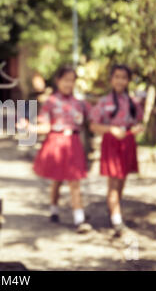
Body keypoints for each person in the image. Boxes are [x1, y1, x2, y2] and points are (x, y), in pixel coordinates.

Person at [20, 67, 92, 234]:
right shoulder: (51, 102)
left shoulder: (80, 103)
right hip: (56, 143)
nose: (68, 84)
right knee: (57, 180)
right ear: (58, 81)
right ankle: (54, 209)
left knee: (75, 181)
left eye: (72, 80)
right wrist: (30, 127)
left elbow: (93, 119)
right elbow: (45, 126)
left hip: (73, 143)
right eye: (65, 80)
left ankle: (79, 219)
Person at [89, 64, 145, 237]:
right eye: (117, 77)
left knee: (121, 181)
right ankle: (116, 220)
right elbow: (93, 125)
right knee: (113, 182)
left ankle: (114, 210)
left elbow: (139, 122)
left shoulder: (133, 103)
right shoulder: (104, 102)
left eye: (124, 77)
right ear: (111, 79)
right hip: (111, 144)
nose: (120, 81)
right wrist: (110, 130)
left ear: (128, 81)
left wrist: (136, 129)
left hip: (127, 143)